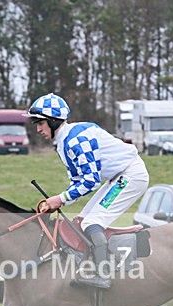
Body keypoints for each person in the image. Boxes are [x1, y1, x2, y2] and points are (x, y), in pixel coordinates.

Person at [25, 92, 150, 290]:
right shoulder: (64, 143)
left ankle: (102, 275)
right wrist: (58, 201)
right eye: (36, 124)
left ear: (54, 121)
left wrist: (60, 199)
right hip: (117, 177)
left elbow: (90, 181)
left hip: (130, 175)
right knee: (82, 222)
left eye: (41, 123)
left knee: (93, 222)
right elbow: (77, 181)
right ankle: (90, 266)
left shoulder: (75, 140)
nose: (38, 129)